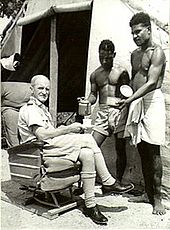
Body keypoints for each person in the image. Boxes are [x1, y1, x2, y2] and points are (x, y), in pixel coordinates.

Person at [18, 75, 134, 225]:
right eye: (40, 88)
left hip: (50, 147)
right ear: (31, 89)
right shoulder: (30, 109)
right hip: (38, 151)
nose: (44, 92)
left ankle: (90, 205)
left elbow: (50, 132)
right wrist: (67, 129)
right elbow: (42, 134)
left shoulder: (41, 109)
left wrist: (66, 131)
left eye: (47, 89)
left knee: (87, 153)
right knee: (87, 139)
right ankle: (108, 181)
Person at [117, 12, 166, 215]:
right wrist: (126, 96)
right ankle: (147, 192)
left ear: (148, 29)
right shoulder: (135, 54)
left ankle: (158, 198)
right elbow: (135, 80)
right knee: (142, 149)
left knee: (153, 151)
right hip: (136, 101)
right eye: (132, 33)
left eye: (138, 32)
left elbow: (152, 82)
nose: (135, 36)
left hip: (152, 101)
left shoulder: (157, 53)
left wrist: (130, 99)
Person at [87, 40, 130, 183]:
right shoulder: (95, 75)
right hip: (103, 111)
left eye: (108, 57)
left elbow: (127, 93)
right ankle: (89, 179)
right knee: (91, 147)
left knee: (120, 148)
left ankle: (117, 182)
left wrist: (120, 109)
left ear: (114, 55)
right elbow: (93, 95)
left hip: (118, 110)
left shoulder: (121, 72)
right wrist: (86, 102)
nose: (104, 61)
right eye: (101, 57)